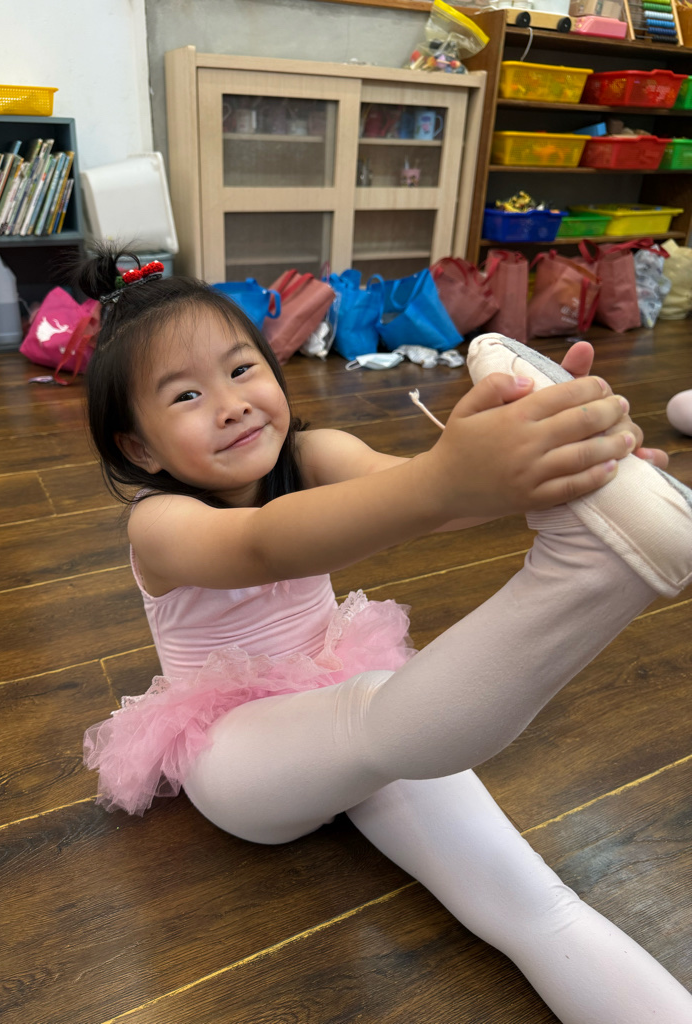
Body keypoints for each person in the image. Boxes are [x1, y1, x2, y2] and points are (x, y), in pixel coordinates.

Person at [79, 247, 692, 1024]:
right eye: (187, 395)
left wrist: (562, 473)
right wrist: (446, 478)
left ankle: (605, 548)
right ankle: (600, 567)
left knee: (538, 902)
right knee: (376, 707)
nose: (230, 405)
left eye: (241, 370)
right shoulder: (159, 524)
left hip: (352, 704)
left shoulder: (313, 451)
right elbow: (265, 544)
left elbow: (421, 491)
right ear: (139, 447)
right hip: (232, 750)